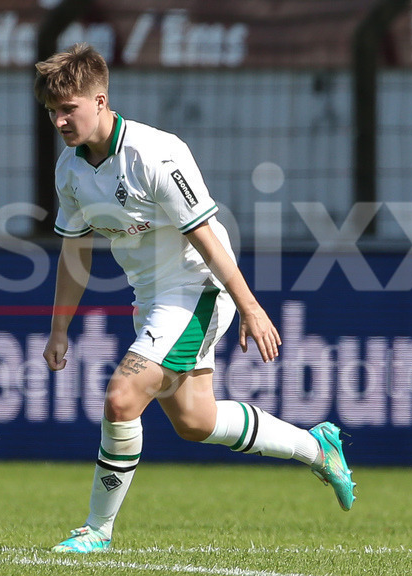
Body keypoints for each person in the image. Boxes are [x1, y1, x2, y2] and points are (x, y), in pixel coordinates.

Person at [35, 44, 356, 554]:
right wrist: (58, 329)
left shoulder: (155, 153)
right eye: (52, 111)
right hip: (152, 297)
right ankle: (318, 449)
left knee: (121, 399)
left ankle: (97, 530)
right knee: (195, 422)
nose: (58, 121)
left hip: (198, 289)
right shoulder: (70, 170)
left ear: (100, 100)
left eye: (67, 108)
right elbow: (75, 252)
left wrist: (248, 303)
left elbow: (206, 234)